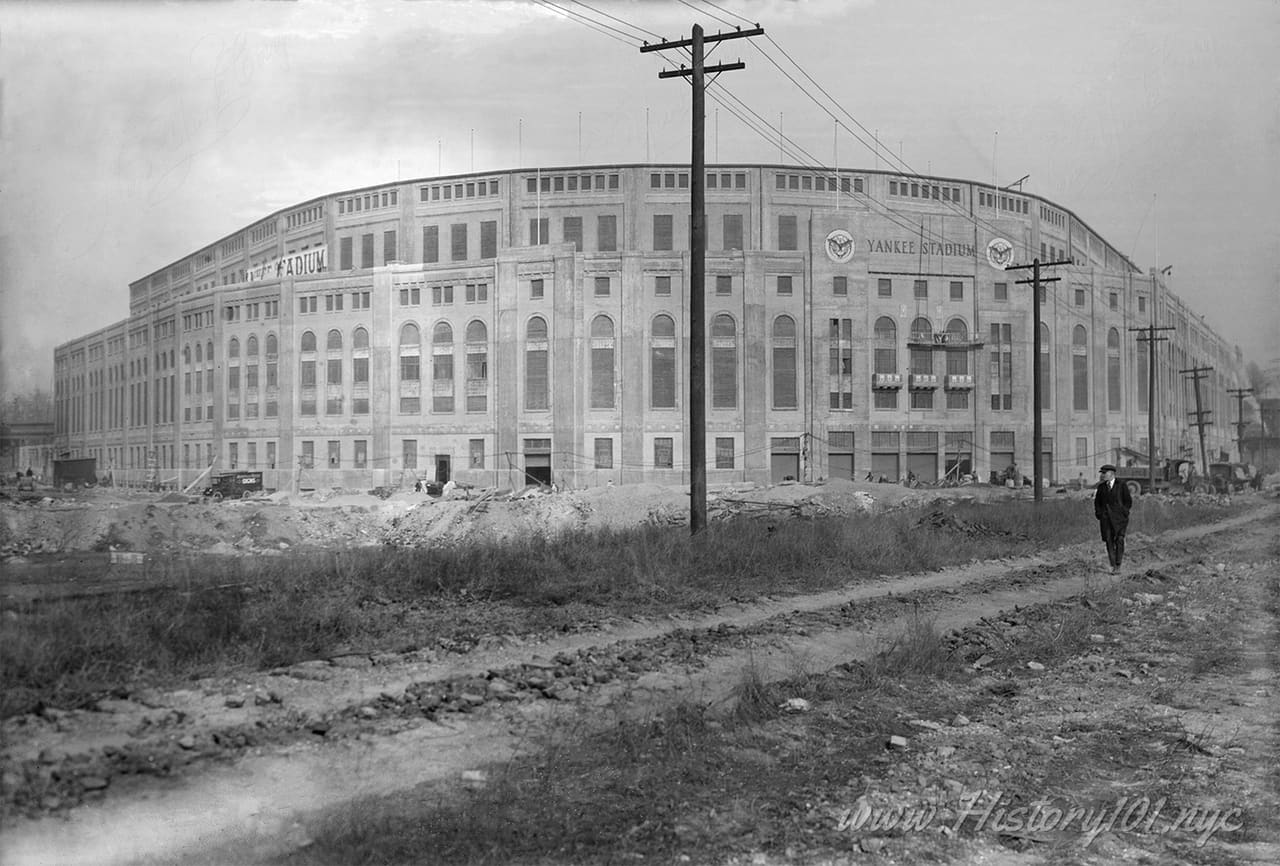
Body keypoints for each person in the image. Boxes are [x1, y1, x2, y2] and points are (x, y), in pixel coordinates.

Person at [1094, 464, 1133, 574]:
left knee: (1119, 540)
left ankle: (1118, 563)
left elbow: (1128, 501)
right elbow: (1097, 502)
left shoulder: (1121, 485)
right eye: (1102, 473)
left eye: (1104, 473)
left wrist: (1124, 512)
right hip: (1106, 519)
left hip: (1120, 519)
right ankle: (1113, 565)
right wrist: (1099, 514)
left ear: (1111, 474)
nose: (1102, 475)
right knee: (1109, 541)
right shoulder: (1101, 487)